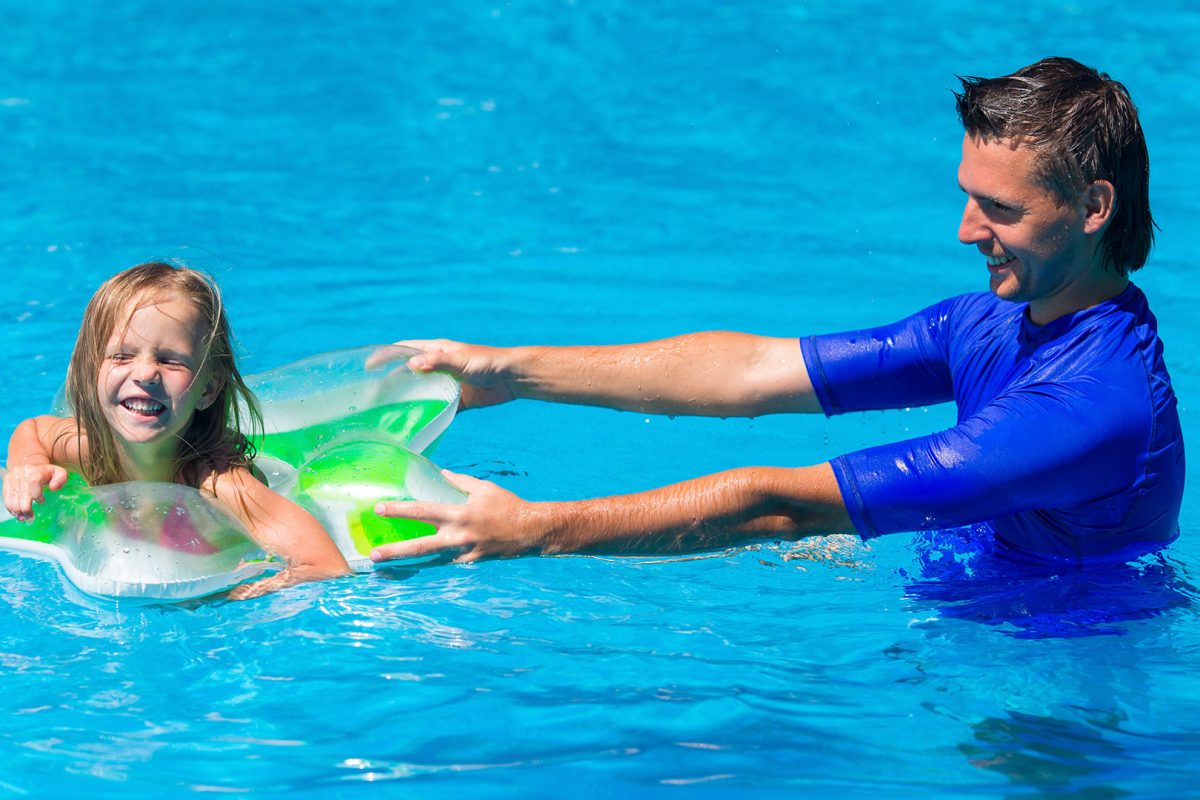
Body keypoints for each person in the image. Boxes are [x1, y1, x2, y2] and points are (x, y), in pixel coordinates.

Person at [370, 57, 1184, 567]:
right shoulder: (987, 324)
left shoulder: (1088, 406)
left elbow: (779, 503)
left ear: (1092, 205)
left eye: (998, 210)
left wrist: (534, 528)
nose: (966, 231)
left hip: (1065, 670)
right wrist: (509, 372)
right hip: (976, 569)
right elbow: (752, 370)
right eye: (968, 199)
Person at [3, 262, 350, 598]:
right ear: (92, 372)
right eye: (122, 356)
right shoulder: (90, 448)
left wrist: (248, 592)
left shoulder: (220, 483)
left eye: (171, 360)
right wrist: (28, 467)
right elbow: (32, 430)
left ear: (208, 390)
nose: (145, 374)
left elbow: (325, 563)